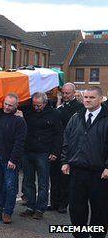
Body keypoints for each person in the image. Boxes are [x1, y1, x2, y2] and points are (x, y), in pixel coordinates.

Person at [61, 86, 108, 238]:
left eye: (92, 97)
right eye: (86, 97)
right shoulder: (76, 117)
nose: (87, 100)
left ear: (100, 99)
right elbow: (67, 140)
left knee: (100, 210)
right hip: (77, 170)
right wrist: (65, 161)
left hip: (99, 173)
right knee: (77, 208)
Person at [18, 92, 62, 220]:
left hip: (44, 152)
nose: (36, 108)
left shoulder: (54, 114)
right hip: (28, 150)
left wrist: (55, 152)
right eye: (34, 105)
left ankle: (40, 209)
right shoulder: (28, 111)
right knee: (28, 181)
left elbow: (58, 134)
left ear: (45, 102)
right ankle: (31, 206)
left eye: (39, 105)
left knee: (43, 182)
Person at [0, 94, 27, 224]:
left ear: (16, 106)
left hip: (9, 158)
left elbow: (20, 142)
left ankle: (7, 212)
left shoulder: (19, 121)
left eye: (10, 105)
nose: (7, 107)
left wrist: (13, 159)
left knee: (10, 186)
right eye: (6, 104)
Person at [50, 83, 85, 214]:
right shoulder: (60, 106)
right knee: (54, 176)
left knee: (65, 177)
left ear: (73, 92)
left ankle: (63, 203)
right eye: (63, 93)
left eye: (67, 93)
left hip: (70, 146)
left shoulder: (80, 108)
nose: (65, 95)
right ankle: (54, 202)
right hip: (56, 145)